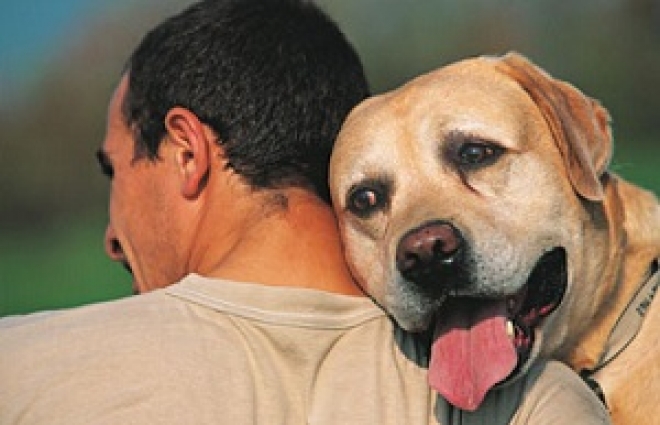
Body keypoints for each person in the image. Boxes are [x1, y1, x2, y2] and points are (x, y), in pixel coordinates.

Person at [0, 0, 610, 424]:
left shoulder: (18, 369)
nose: (110, 235)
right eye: (371, 199)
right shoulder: (541, 400)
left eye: (117, 169)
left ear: (187, 152)